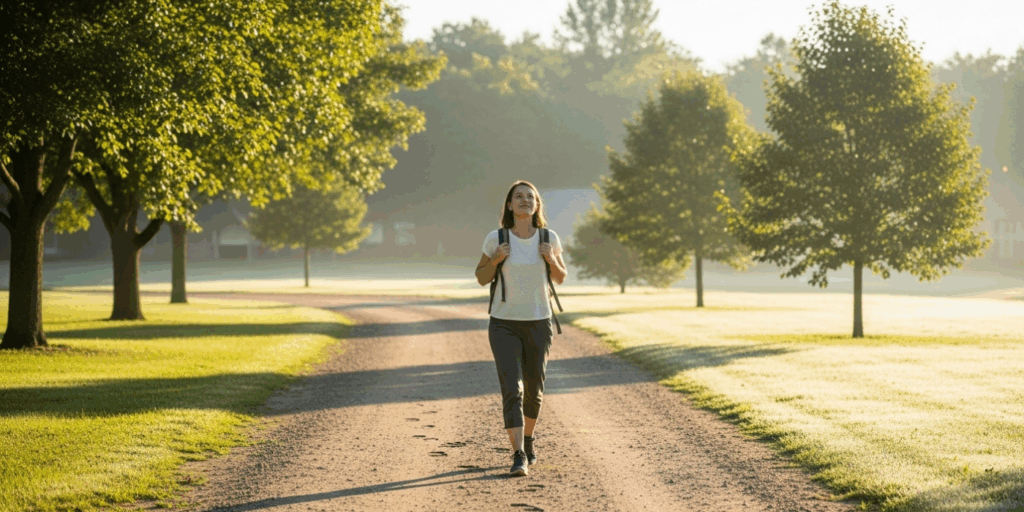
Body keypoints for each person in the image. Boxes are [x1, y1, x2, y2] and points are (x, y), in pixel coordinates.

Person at [475, 180, 567, 477]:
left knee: (533, 390)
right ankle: (517, 455)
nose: (525, 200)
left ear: (537, 204)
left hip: (540, 322)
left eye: (531, 197)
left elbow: (561, 277)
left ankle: (528, 441)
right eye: (519, 197)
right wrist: (497, 259)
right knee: (511, 389)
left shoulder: (548, 237)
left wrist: (551, 257)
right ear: (510, 205)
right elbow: (480, 276)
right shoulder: (496, 238)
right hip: (503, 323)